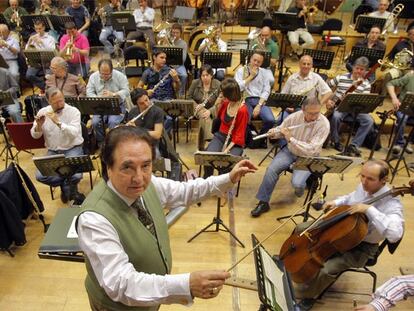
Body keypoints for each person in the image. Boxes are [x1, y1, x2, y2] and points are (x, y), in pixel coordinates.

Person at [76, 125, 257, 310]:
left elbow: (185, 191)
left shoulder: (149, 183)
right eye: (127, 168)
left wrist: (229, 178)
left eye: (146, 165)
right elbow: (122, 284)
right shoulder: (93, 219)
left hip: (151, 298)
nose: (139, 178)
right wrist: (186, 285)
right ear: (108, 167)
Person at [294, 159, 404, 310]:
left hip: (362, 248)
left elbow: (395, 234)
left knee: (326, 269)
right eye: (362, 176)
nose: (364, 182)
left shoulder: (392, 204)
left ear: (383, 180)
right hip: (344, 229)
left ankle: (309, 297)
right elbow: (351, 197)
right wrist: (336, 202)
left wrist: (369, 210)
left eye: (370, 179)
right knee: (302, 229)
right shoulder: (364, 186)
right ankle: (292, 260)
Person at [251, 97, 329, 217]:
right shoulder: (294, 117)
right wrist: (274, 133)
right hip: (290, 151)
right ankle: (263, 202)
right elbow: (282, 131)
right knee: (271, 170)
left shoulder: (323, 123)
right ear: (303, 110)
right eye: (311, 113)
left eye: (317, 113)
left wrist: (290, 138)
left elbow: (312, 148)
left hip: (308, 156)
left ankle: (305, 183)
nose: (314, 117)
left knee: (297, 184)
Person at [30, 87, 85, 204]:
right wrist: (38, 126)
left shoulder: (73, 111)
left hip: (72, 148)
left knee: (77, 176)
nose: (60, 104)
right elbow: (35, 135)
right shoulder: (42, 112)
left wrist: (59, 123)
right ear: (48, 101)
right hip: (53, 151)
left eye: (61, 100)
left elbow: (74, 133)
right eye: (56, 102)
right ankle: (68, 188)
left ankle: (67, 190)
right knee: (40, 176)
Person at [327, 56, 373, 156]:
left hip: (356, 109)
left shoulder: (366, 84)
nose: (359, 71)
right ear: (353, 67)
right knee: (336, 117)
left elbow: (364, 100)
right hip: (340, 107)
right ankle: (336, 141)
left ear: (365, 71)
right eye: (357, 68)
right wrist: (329, 99)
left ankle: (354, 145)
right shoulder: (341, 77)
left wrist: (352, 97)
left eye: (362, 69)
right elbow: (326, 86)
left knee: (369, 121)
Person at [203, 78, 249, 178]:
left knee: (227, 162)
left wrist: (226, 150)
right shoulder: (225, 103)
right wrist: (218, 102)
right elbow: (218, 117)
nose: (221, 95)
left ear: (229, 95)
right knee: (207, 157)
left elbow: (239, 134)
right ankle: (207, 180)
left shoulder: (242, 110)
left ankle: (224, 184)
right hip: (220, 136)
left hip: (235, 142)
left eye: (223, 93)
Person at [87, 58, 130, 145]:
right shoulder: (93, 77)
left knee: (113, 122)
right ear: (99, 70)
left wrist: (113, 94)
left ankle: (112, 143)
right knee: (95, 122)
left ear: (112, 70)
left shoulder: (120, 76)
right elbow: (89, 92)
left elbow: (127, 91)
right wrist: (98, 98)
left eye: (107, 74)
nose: (104, 77)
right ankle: (101, 143)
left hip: (116, 105)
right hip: (100, 105)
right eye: (102, 74)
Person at [281, 54, 332, 123]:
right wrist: (287, 106)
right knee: (279, 121)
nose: (306, 66)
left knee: (297, 121)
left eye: (308, 64)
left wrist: (319, 104)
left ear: (311, 66)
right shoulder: (292, 78)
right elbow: (283, 95)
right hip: (290, 107)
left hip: (307, 110)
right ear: (299, 65)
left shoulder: (316, 78)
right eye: (304, 64)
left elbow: (329, 92)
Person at [234, 51, 275, 136]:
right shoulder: (241, 71)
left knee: (270, 120)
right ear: (250, 59)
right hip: (245, 100)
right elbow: (237, 88)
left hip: (259, 100)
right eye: (254, 60)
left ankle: (259, 139)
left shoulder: (264, 72)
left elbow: (266, 90)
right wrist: (251, 76)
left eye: (259, 62)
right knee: (244, 120)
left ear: (261, 63)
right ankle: (247, 139)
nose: (256, 63)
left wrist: (259, 105)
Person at [187, 64, 221, 149]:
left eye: (207, 75)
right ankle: (209, 141)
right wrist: (197, 106)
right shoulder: (195, 83)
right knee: (203, 114)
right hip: (196, 109)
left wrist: (210, 111)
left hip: (213, 110)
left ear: (211, 75)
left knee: (204, 116)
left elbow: (220, 101)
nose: (205, 78)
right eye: (203, 75)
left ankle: (200, 147)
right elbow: (188, 98)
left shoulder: (217, 84)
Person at [381, 24, 414, 95]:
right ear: (409, 35)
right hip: (398, 68)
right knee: (388, 75)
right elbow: (391, 55)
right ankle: (382, 96)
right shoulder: (401, 43)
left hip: (410, 69)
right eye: (412, 34)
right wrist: (386, 63)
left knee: (410, 77)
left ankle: (403, 98)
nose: (413, 36)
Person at [386, 71, 414, 155]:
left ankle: (409, 141)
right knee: (402, 118)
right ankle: (399, 143)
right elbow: (390, 83)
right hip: (403, 106)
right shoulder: (409, 76)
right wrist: (394, 98)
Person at [25, 20, 56, 92]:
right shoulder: (33, 37)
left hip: (48, 62)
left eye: (40, 28)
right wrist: (29, 41)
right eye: (36, 29)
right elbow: (27, 51)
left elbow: (52, 51)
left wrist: (41, 43)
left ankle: (49, 89)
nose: (38, 31)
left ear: (44, 28)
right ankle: (45, 87)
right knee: (29, 75)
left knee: (48, 77)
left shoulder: (50, 38)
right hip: (36, 62)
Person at [164, 23, 188, 96]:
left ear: (180, 33)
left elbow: (183, 59)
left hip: (179, 65)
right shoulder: (167, 42)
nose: (175, 34)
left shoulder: (183, 44)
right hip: (168, 65)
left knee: (184, 75)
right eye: (173, 32)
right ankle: (167, 93)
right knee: (162, 74)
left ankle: (181, 94)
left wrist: (175, 67)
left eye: (177, 33)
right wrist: (166, 44)